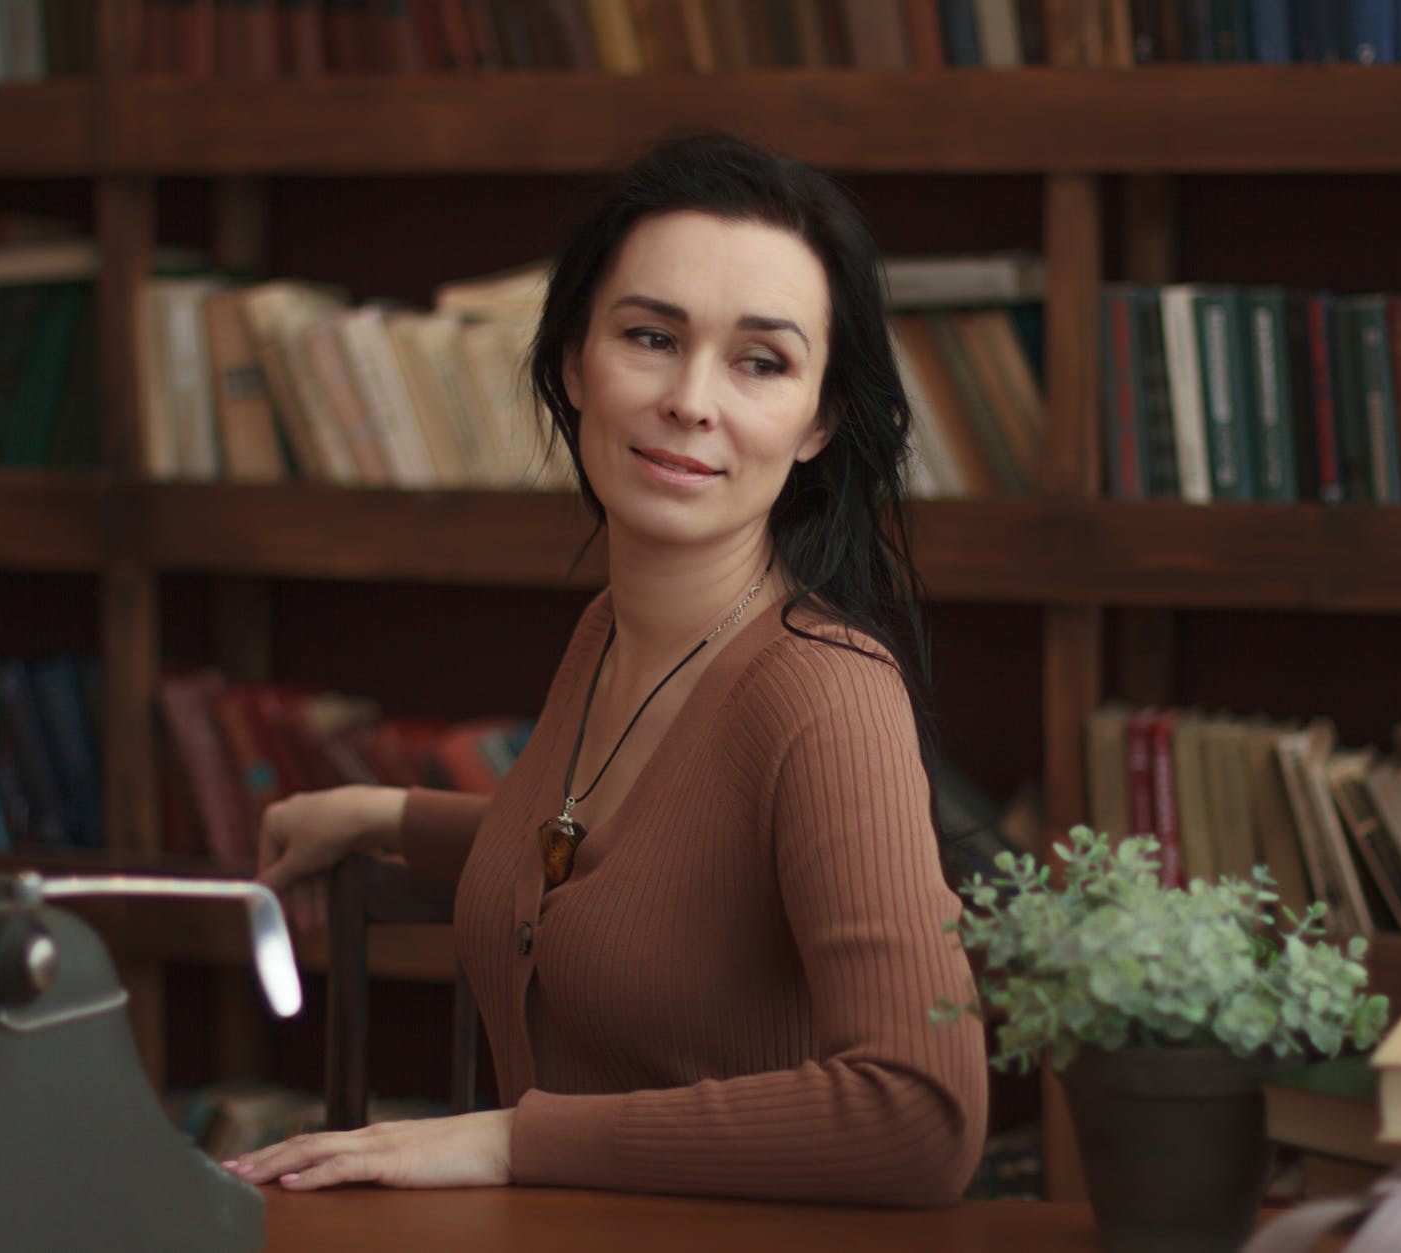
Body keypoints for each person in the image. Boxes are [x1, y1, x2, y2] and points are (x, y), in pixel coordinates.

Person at [228, 132, 988, 1207]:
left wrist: (505, 1141)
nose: (689, 398)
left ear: (818, 419)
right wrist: (385, 813)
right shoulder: (607, 631)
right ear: (576, 358)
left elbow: (922, 1116)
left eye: (758, 360)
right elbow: (620, 856)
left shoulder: (825, 694)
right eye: (649, 336)